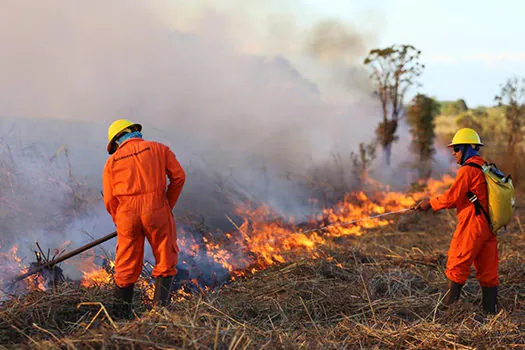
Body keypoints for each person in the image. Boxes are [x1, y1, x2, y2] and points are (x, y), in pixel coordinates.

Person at [102, 119, 186, 316]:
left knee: (125, 266)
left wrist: (121, 221)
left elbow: (109, 200)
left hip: (126, 215)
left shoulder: (111, 162)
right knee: (165, 258)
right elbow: (179, 177)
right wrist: (166, 205)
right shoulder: (159, 149)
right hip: (156, 209)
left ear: (116, 142)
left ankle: (119, 319)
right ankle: (159, 314)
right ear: (134, 131)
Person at [416, 128, 498, 314]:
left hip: (473, 224)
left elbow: (452, 198)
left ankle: (446, 313)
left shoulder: (468, 170)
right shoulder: (485, 166)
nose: (453, 153)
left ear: (467, 148)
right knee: (488, 270)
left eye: (456, 149)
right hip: (489, 225)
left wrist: (429, 203)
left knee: (457, 264)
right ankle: (491, 313)